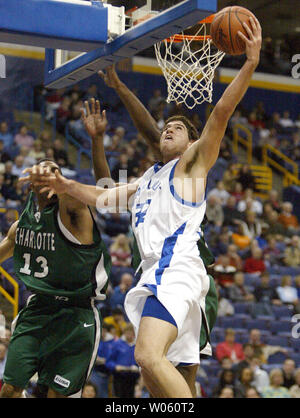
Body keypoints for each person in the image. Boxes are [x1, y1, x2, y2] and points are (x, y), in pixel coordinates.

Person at [33, 17, 262, 398]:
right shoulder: (149, 178)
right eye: (166, 126)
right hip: (163, 274)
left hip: (178, 272)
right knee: (161, 380)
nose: (169, 128)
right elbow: (104, 196)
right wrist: (64, 184)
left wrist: (250, 64)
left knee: (147, 357)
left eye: (178, 128)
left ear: (193, 144)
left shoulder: (190, 165)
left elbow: (220, 113)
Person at [0, 157, 112, 398]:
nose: (50, 174)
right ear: (30, 183)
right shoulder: (20, 228)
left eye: (56, 171)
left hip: (76, 314)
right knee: (9, 390)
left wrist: (63, 183)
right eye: (45, 170)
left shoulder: (74, 212)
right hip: (38, 309)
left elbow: (93, 196)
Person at [106, 323, 140, 398]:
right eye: (128, 333)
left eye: (132, 333)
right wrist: (115, 366)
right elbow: (109, 361)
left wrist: (137, 367)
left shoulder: (137, 346)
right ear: (124, 333)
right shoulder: (117, 344)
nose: (130, 335)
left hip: (133, 378)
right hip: (119, 377)